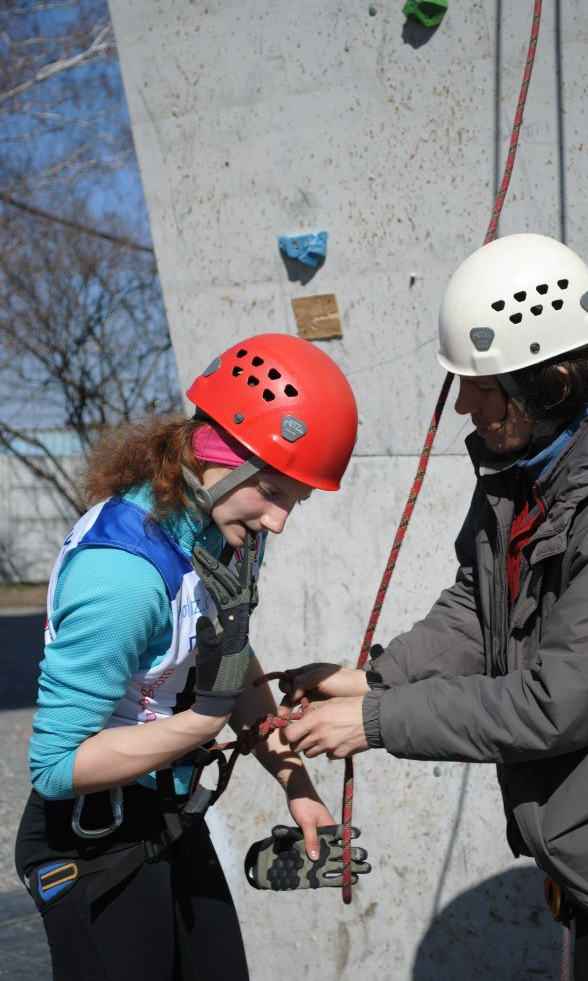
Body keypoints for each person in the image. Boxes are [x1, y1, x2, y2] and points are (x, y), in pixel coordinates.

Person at [281, 234, 588, 979]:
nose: (463, 405)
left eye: (482, 387)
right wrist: (378, 678)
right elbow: (477, 604)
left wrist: (374, 722)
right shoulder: (525, 468)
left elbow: (553, 706)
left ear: (553, 383)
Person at [15, 332, 364, 981]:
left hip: (167, 815)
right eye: (274, 490)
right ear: (218, 453)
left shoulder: (221, 528)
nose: (280, 521)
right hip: (88, 836)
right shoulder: (121, 575)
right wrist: (204, 723)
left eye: (295, 499)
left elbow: (230, 656)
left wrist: (297, 785)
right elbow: (55, 768)